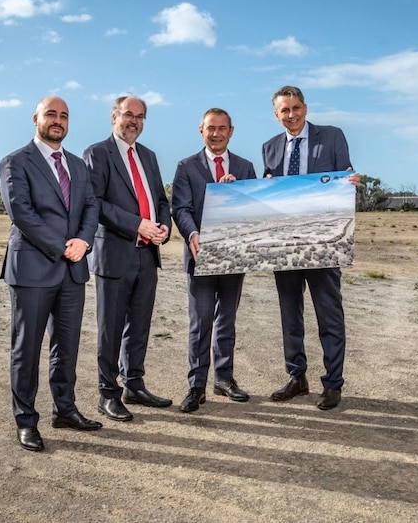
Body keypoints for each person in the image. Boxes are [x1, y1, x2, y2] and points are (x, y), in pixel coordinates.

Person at [0, 96, 102, 452]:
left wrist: (84, 242)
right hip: (32, 268)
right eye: (51, 114)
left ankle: (65, 409)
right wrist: (62, 246)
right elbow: (22, 213)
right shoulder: (16, 162)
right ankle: (25, 419)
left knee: (67, 346)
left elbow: (91, 206)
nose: (57, 120)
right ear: (36, 119)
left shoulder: (77, 164)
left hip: (73, 269)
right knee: (26, 348)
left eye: (63, 116)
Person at [262, 85, 360, 410]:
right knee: (290, 315)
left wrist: (349, 181)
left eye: (296, 108)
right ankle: (296, 376)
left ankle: (333, 384)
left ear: (305, 107)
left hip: (324, 243)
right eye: (284, 111)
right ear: (276, 115)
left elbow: (343, 176)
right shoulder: (270, 147)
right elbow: (272, 190)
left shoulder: (332, 136)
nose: (291, 115)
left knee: (329, 314)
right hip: (286, 246)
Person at [83, 95, 173, 420]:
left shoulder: (148, 155)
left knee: (140, 325)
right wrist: (138, 224)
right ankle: (108, 394)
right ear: (114, 117)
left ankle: (134, 384)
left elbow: (161, 200)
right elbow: (95, 203)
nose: (133, 121)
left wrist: (164, 225)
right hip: (115, 254)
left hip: (148, 254)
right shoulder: (97, 153)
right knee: (111, 328)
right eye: (127, 114)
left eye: (139, 116)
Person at [171, 108, 257, 413]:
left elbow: (254, 209)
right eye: (211, 128)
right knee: (201, 322)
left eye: (222, 128)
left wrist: (237, 194)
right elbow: (180, 208)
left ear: (231, 131)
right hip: (200, 257)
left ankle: (224, 378)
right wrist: (192, 234)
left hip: (234, 258)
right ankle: (196, 385)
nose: (217, 133)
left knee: (227, 320)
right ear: (201, 131)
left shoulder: (246, 167)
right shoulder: (186, 167)